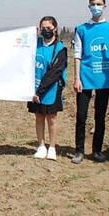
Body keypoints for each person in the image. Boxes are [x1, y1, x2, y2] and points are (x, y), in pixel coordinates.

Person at [71, 0, 109, 164]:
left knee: (99, 116)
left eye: (99, 4)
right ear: (89, 6)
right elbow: (77, 54)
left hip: (104, 78)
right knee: (81, 116)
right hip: (86, 77)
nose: (96, 7)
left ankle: (97, 150)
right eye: (93, 4)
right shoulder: (82, 29)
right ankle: (79, 150)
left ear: (105, 6)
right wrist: (77, 78)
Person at [28, 16, 68, 161]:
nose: (46, 31)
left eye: (49, 28)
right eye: (43, 28)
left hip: (50, 89)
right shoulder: (35, 44)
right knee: (39, 117)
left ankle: (52, 147)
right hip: (34, 88)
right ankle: (41, 145)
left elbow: (55, 73)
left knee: (51, 119)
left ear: (55, 29)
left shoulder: (60, 49)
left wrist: (40, 91)